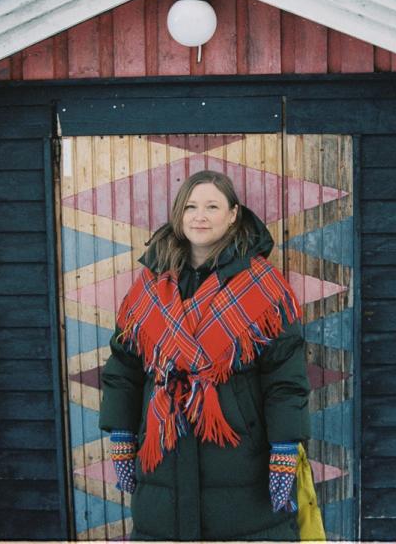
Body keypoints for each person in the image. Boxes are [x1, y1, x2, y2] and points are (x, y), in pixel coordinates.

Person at [99, 170, 310, 541]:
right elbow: (124, 367)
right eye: (191, 206)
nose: (201, 216)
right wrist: (121, 432)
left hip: (241, 460)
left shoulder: (264, 286)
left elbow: (285, 378)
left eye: (212, 206)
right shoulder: (149, 285)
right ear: (180, 216)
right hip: (162, 457)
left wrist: (284, 447)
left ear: (233, 214)